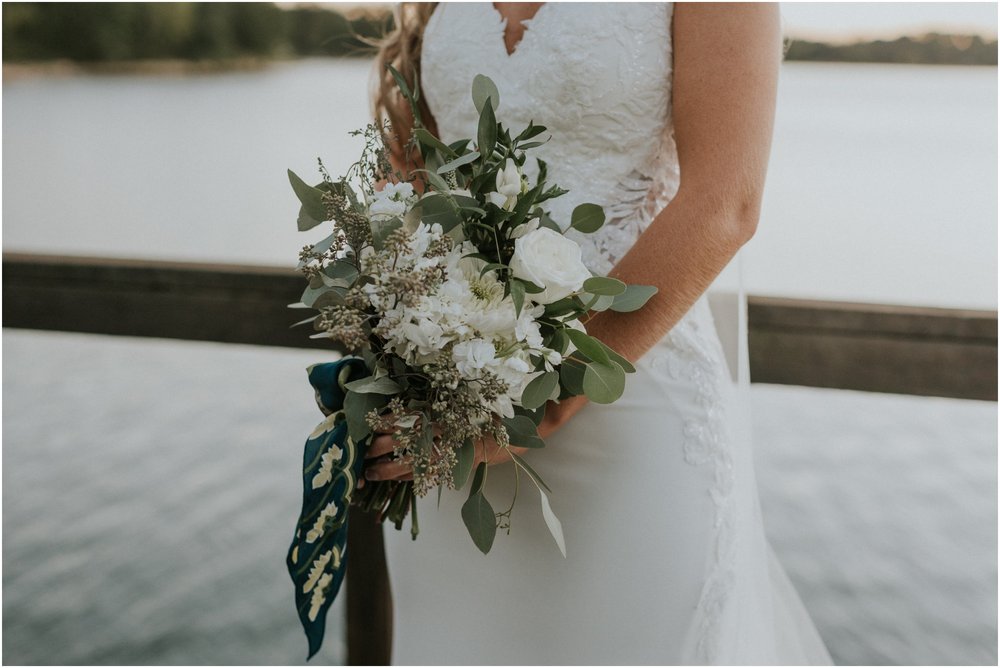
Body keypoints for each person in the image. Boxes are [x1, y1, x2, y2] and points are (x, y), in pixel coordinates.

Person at [363, 2, 834, 664]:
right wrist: (398, 331)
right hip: (448, 426)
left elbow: (726, 200)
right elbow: (416, 172)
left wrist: (539, 402)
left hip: (628, 408)